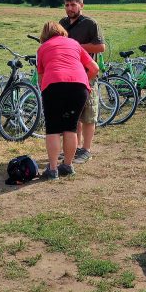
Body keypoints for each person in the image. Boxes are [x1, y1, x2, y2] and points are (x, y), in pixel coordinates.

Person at [35, 21, 99, 180]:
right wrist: (85, 81)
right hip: (79, 88)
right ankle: (68, 166)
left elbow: (41, 79)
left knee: (53, 129)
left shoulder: (42, 48)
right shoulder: (74, 44)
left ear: (44, 35)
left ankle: (53, 169)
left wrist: (46, 94)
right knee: (70, 127)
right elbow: (95, 68)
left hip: (54, 86)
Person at [58, 0, 105, 164]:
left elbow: (101, 47)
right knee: (73, 114)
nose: (70, 8)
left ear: (81, 5)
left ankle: (86, 149)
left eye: (73, 5)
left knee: (88, 113)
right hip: (67, 74)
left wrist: (76, 46)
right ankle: (74, 148)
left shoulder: (90, 24)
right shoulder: (62, 23)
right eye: (67, 5)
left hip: (87, 73)